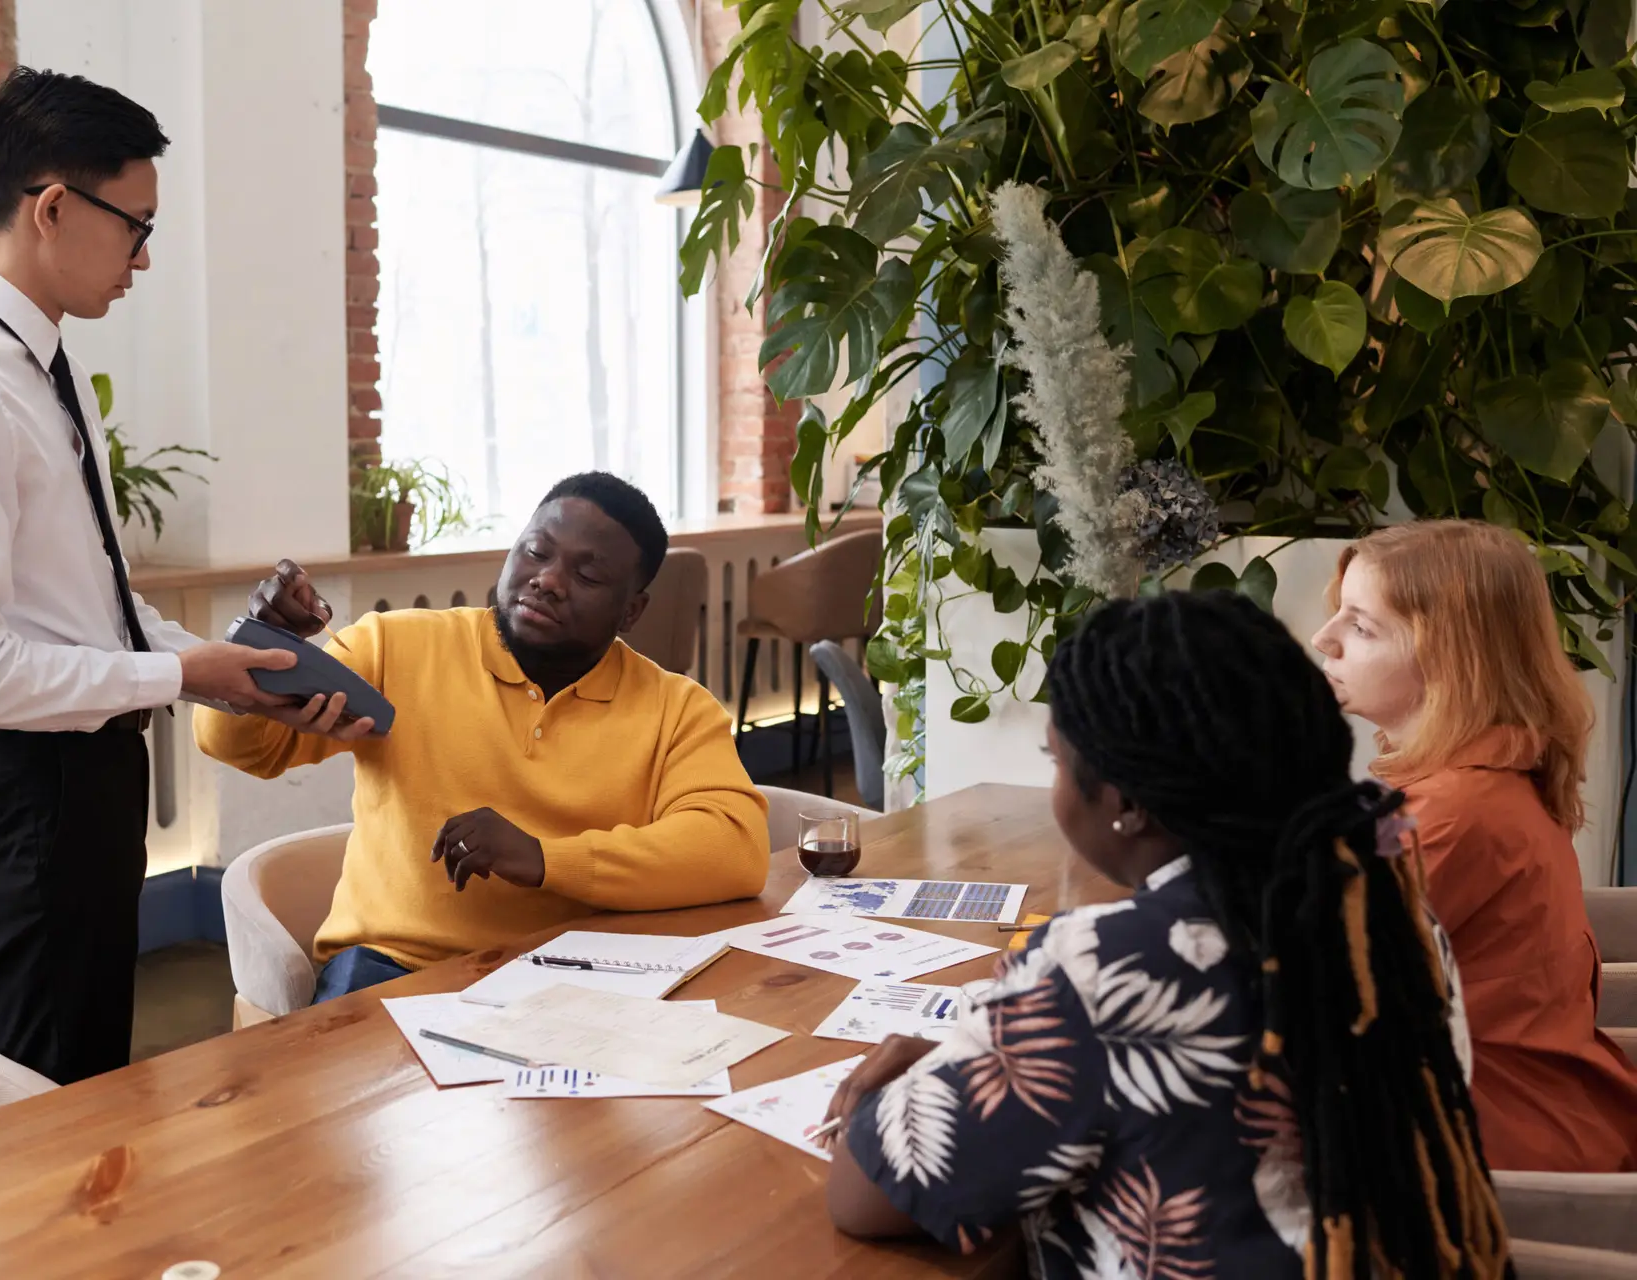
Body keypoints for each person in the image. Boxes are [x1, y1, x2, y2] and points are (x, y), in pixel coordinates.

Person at [821, 591, 1512, 1279]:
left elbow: (864, 1197)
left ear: (1124, 804)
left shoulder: (1106, 968)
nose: (1055, 785)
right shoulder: (1386, 909)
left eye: (1056, 761)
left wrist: (963, 1070)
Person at [0, 68, 297, 1083]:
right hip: (23, 795)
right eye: (134, 225)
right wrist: (179, 678)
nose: (145, 256)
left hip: (82, 779)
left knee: (92, 1082)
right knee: (46, 1102)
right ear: (52, 207)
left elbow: (90, 607)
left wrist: (220, 659)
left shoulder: (39, 366)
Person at [195, 472, 771, 999]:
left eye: (588, 574)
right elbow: (241, 748)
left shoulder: (676, 708)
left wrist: (546, 859)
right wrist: (260, 649)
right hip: (396, 967)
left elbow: (734, 850)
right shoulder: (393, 648)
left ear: (631, 611)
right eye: (535, 551)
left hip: (579, 976)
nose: (548, 580)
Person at [1312, 520, 1637, 1172]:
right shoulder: (1479, 777)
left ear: (1450, 660)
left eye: (1362, 626)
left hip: (1490, 1149)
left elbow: (1298, 981)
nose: (1324, 638)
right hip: (1533, 1109)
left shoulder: (1451, 813)